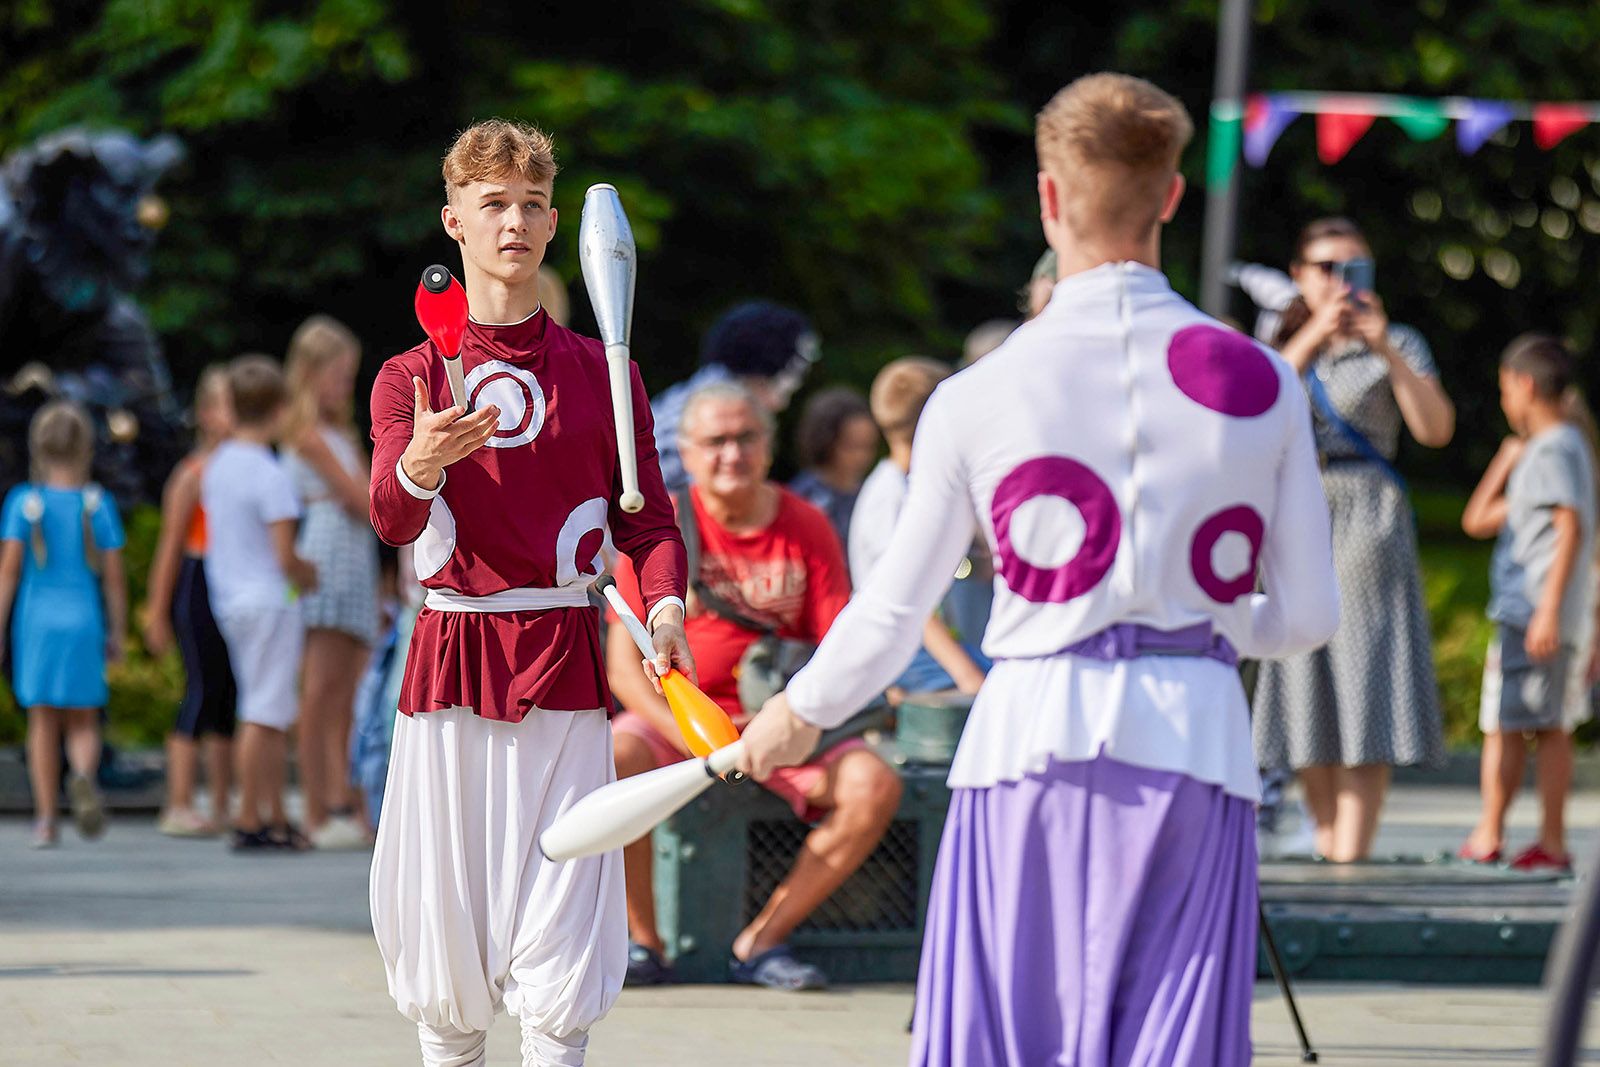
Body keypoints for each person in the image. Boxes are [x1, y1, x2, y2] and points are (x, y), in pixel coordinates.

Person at [737, 73, 1340, 1064]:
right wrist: (1210, 625)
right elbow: (1310, 611)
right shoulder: (1264, 378)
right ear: (1173, 196)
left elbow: (891, 608)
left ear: (1048, 199)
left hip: (1027, 737)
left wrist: (794, 713)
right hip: (1198, 738)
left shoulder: (978, 392)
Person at [366, 119, 689, 1067]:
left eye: (531, 206)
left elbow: (650, 526)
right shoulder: (411, 375)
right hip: (451, 666)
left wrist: (665, 607)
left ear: (556, 228)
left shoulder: (606, 373)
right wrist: (422, 462)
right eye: (493, 204)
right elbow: (389, 517)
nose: (514, 222)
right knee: (447, 935)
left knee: (564, 937)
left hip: (567, 666)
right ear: (454, 221)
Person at [607, 382, 903, 991]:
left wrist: (789, 719)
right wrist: (692, 737)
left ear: (769, 447)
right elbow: (620, 669)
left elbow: (838, 643)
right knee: (616, 753)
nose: (731, 454)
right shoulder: (657, 529)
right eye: (715, 441)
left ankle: (763, 940)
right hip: (678, 725)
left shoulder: (807, 524)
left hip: (783, 725)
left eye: (746, 438)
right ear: (685, 453)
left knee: (874, 784)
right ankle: (643, 941)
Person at [1251, 216, 1455, 862]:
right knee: (1302, 676)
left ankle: (1352, 855)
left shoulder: (1399, 341)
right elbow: (1249, 413)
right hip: (1298, 512)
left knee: (1368, 677)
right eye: (1327, 269)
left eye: (1354, 268)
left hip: (1368, 515)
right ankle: (1327, 841)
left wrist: (1386, 349)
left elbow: (1435, 430)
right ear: (1299, 278)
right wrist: (1312, 334)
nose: (1341, 283)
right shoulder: (1279, 343)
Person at [1460, 335, 1597, 872]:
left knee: (1519, 724)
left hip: (1533, 611)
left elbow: (1571, 526)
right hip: (1536, 612)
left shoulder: (1556, 447)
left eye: (1502, 390)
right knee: (1527, 722)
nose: (1502, 402)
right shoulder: (1561, 447)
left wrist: (1547, 609)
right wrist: (1504, 460)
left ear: (1524, 384)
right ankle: (1517, 834)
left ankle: (1512, 834)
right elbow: (1476, 520)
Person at [201, 354, 318, 852]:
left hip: (231, 597)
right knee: (264, 712)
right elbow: (284, 555)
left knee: (265, 707)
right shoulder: (270, 473)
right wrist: (310, 574)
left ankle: (269, 812)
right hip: (271, 600)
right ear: (277, 410)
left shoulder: (218, 465)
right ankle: (251, 816)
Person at [0, 401, 127, 848]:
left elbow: (9, 573)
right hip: (84, 620)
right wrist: (118, 631)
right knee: (83, 721)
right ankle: (83, 776)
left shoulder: (23, 503)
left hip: (37, 624)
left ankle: (46, 819)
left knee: (42, 721)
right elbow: (113, 578)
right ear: (86, 447)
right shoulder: (98, 504)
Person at [281, 314, 379, 850]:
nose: (345, 386)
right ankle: (316, 807)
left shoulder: (339, 432)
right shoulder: (306, 434)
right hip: (325, 551)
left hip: (351, 556)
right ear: (311, 372)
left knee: (344, 691)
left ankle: (339, 799)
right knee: (319, 689)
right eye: (338, 376)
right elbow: (361, 498)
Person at [853, 357, 986, 698]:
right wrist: (968, 676)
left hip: (923, 649)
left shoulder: (910, 485)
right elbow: (907, 599)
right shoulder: (890, 497)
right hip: (903, 655)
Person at [144, 366, 238, 837]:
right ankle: (178, 801)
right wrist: (156, 611)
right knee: (200, 689)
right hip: (198, 579)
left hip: (235, 581)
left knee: (226, 694)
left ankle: (222, 803)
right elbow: (169, 547)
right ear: (204, 413)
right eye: (224, 402)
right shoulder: (192, 475)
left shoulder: (246, 468)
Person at [651, 301, 819, 492]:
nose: (781, 404)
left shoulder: (685, 397)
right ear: (761, 374)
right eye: (785, 386)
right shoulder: (706, 415)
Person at [787, 385, 878, 545]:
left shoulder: (872, 492)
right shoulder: (802, 496)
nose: (861, 456)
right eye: (851, 446)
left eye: (868, 446)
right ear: (827, 442)